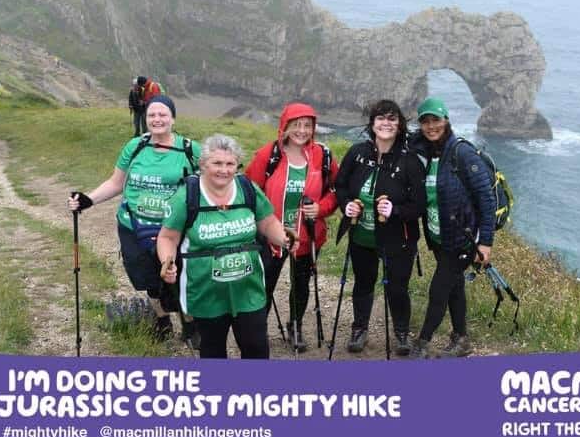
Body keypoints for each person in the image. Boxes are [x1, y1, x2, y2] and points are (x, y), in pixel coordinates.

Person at [67, 95, 200, 342]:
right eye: (152, 115)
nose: (157, 119)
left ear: (173, 118)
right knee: (147, 278)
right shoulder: (135, 146)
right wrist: (89, 200)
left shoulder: (190, 149)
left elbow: (207, 185)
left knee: (180, 276)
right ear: (145, 118)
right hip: (132, 225)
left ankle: (190, 324)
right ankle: (161, 320)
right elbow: (116, 183)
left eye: (163, 114)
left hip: (173, 228)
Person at [157, 134, 298, 359]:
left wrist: (284, 238)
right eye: (217, 163)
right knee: (212, 350)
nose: (224, 170)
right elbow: (168, 238)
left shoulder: (247, 189)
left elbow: (267, 222)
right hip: (205, 289)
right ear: (203, 165)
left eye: (230, 164)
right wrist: (168, 261)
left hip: (248, 287)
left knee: (256, 347)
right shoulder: (188, 196)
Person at [245, 103, 339, 352]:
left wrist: (321, 208)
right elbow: (249, 189)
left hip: (308, 235)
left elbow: (337, 190)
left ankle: (295, 325)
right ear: (284, 127)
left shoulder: (322, 155)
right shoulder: (269, 155)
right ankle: (257, 328)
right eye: (296, 125)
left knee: (301, 283)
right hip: (272, 235)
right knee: (265, 283)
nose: (302, 131)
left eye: (307, 125)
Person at [334, 99, 426, 356]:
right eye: (381, 118)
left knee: (397, 287)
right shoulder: (357, 153)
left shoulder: (410, 161)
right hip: (361, 235)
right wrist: (347, 206)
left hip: (399, 239)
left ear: (400, 125)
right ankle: (359, 328)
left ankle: (401, 333)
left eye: (392, 119)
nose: (386, 123)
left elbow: (419, 205)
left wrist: (395, 211)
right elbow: (340, 185)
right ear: (372, 123)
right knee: (363, 282)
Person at [408, 97, 495, 358]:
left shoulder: (461, 152)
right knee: (455, 285)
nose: (431, 126)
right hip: (439, 237)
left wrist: (485, 242)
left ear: (446, 120)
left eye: (436, 120)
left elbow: (486, 199)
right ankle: (461, 339)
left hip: (462, 239)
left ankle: (422, 343)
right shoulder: (427, 152)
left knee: (439, 289)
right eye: (425, 121)